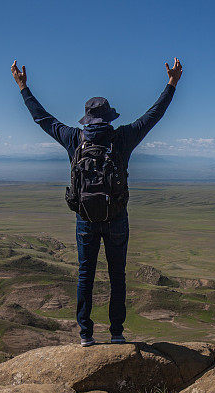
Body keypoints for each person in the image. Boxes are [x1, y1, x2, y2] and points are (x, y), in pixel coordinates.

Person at [11, 58, 182, 346]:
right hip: (116, 218)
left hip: (85, 219)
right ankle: (116, 333)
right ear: (110, 117)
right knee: (117, 276)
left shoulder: (73, 138)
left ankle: (85, 335)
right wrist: (172, 83)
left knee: (85, 276)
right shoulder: (123, 137)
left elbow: (42, 119)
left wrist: (23, 87)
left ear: (86, 118)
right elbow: (154, 115)